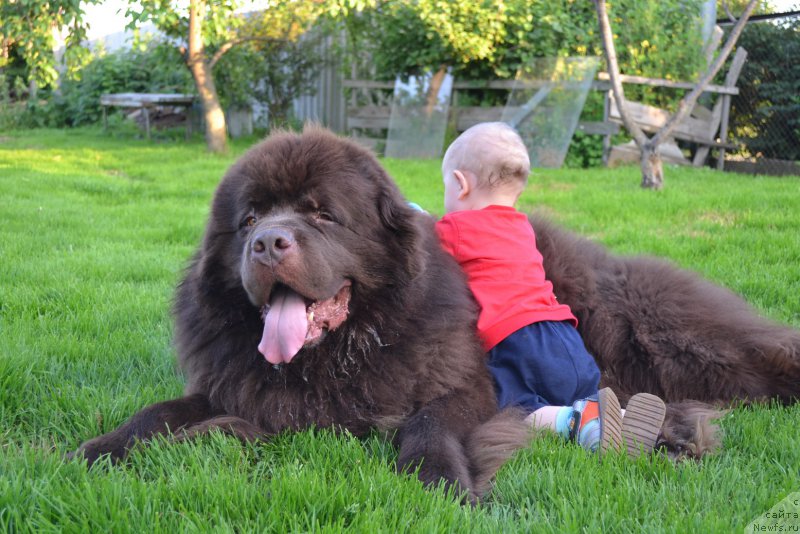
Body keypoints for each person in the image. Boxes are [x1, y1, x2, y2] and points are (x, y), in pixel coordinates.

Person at [434, 122, 666, 457]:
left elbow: (426, 247)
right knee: (579, 394)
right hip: (566, 340)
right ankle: (626, 420)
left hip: (516, 342)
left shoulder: (454, 229)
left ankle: (578, 424)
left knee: (513, 407)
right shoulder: (521, 227)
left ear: (460, 184)